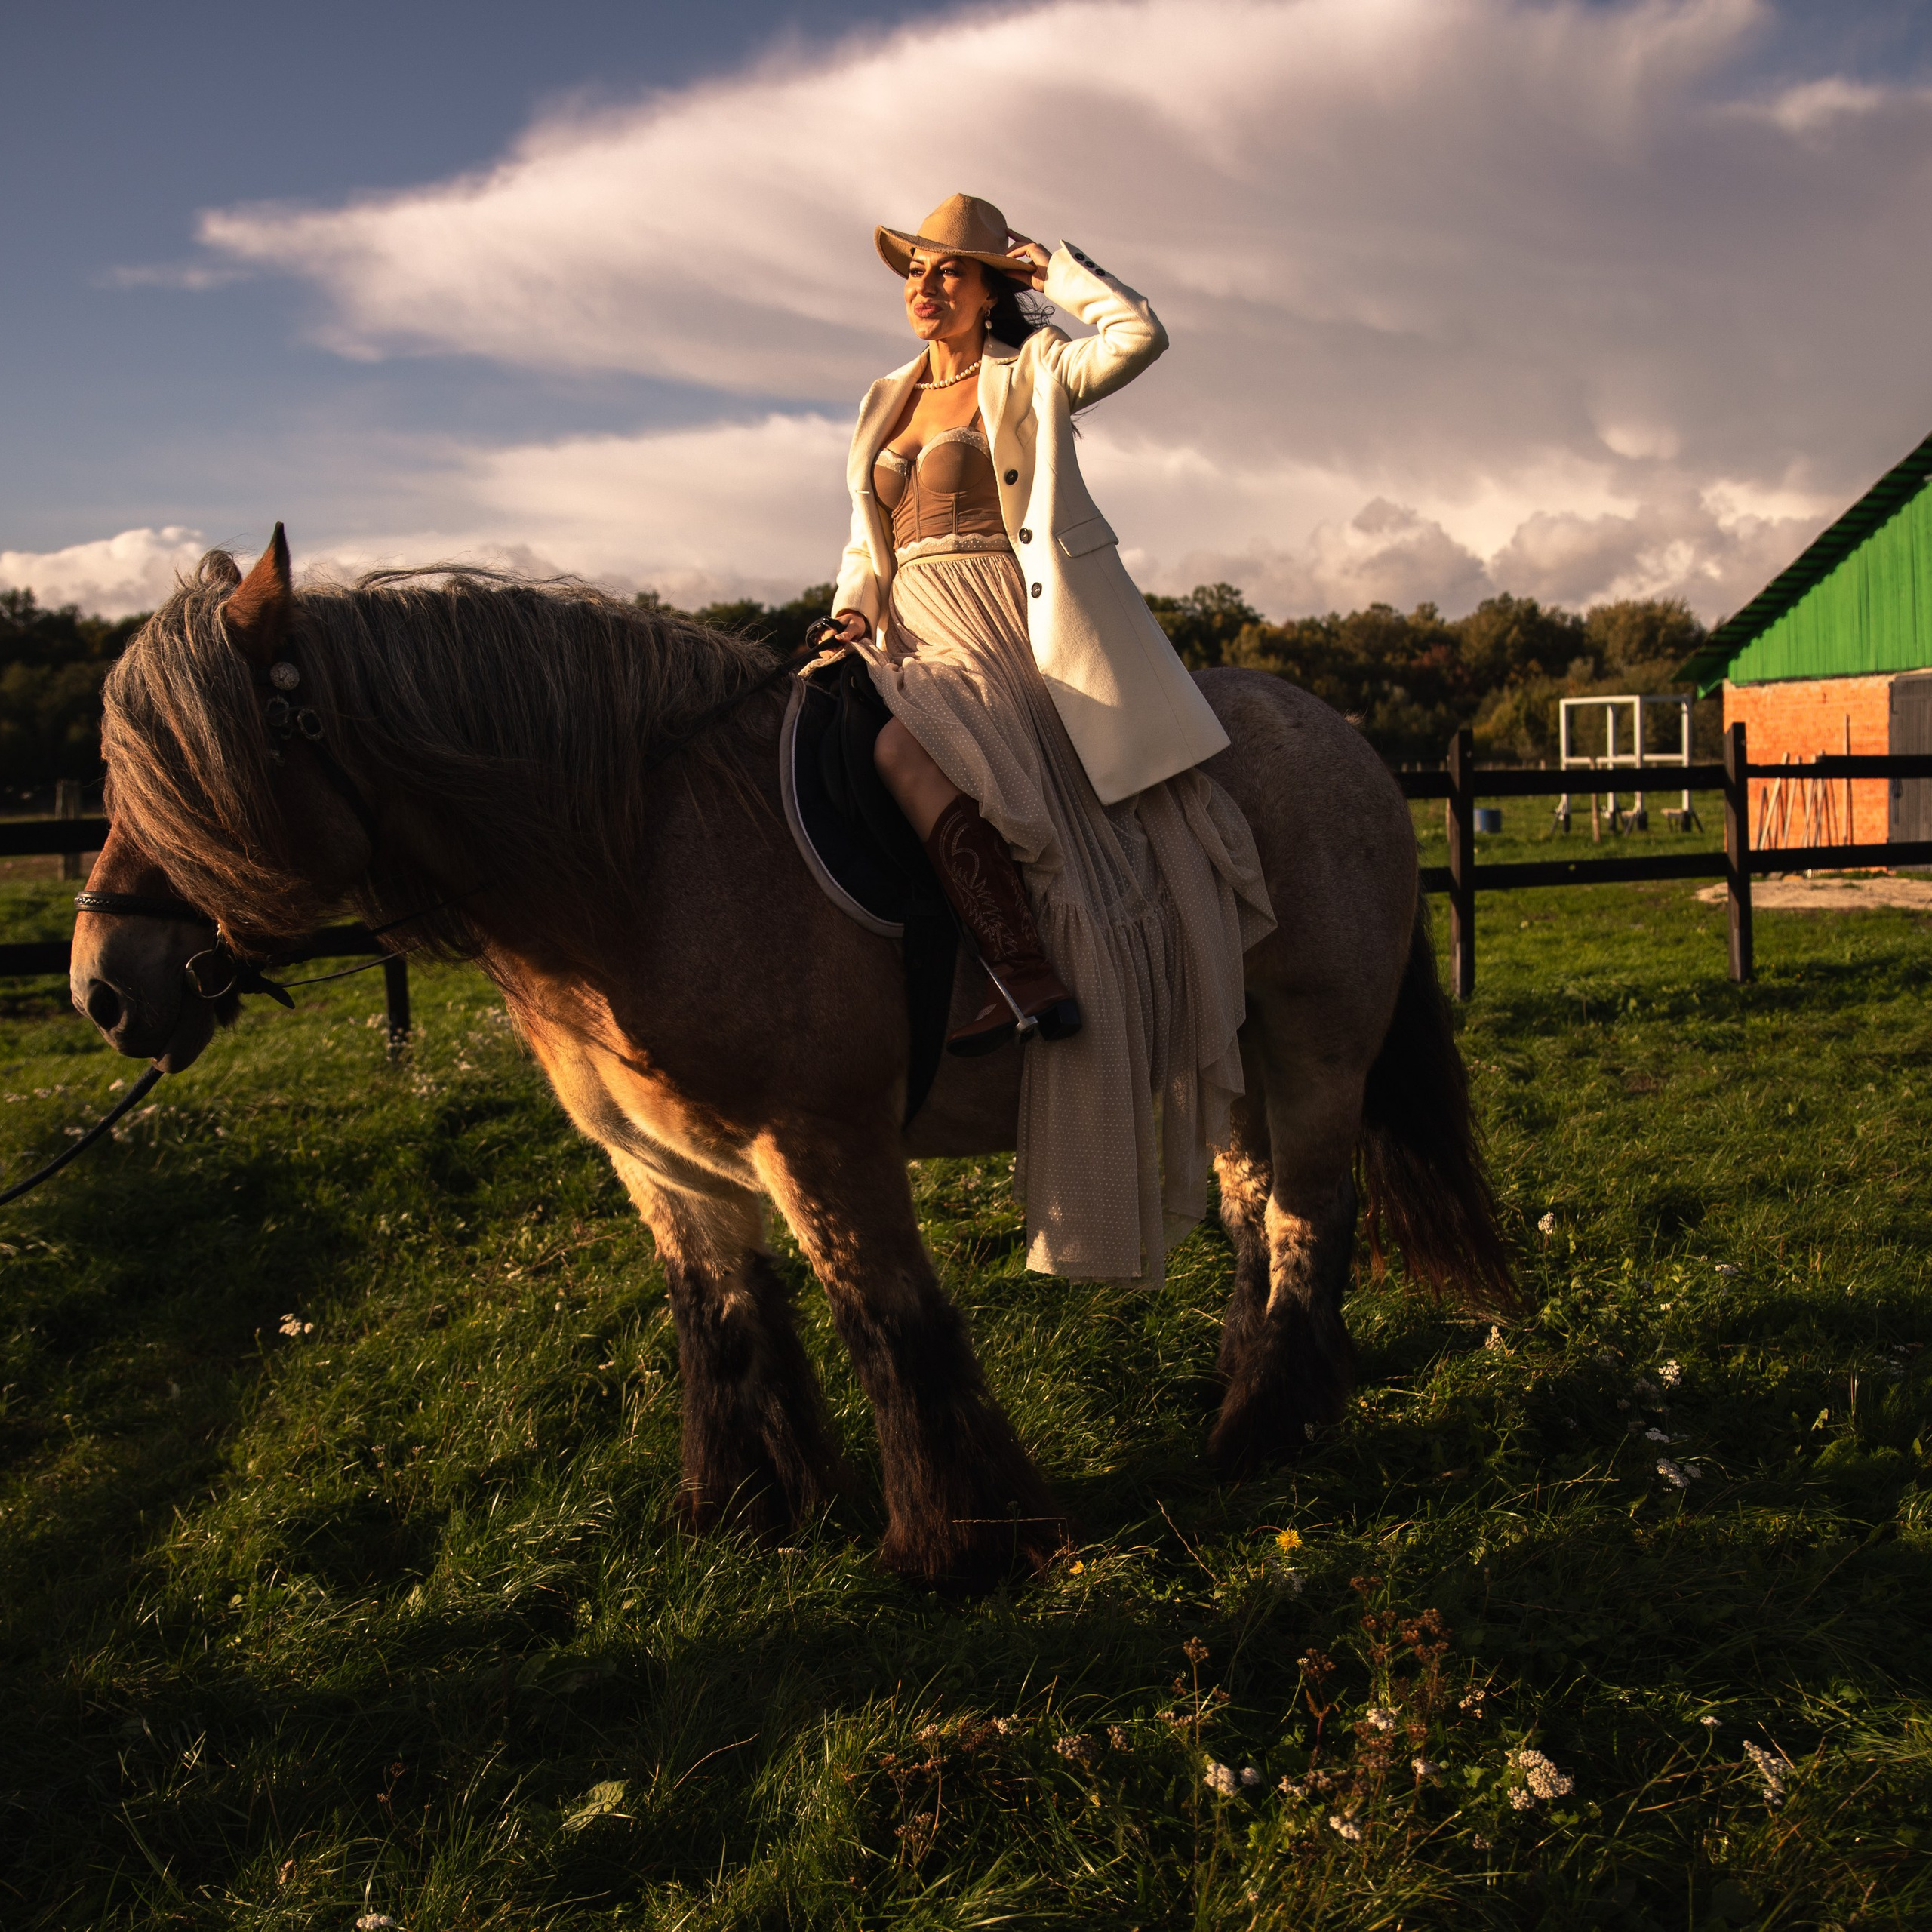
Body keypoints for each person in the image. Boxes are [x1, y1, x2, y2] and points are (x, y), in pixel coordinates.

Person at [824, 192, 1275, 1282]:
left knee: (898, 752)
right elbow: (862, 540)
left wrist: (1048, 265)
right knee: (825, 745)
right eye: (918, 272)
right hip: (910, 624)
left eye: (951, 274)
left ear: (990, 292)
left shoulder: (1032, 376)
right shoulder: (884, 400)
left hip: (1012, 628)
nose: (926, 289)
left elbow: (1137, 335)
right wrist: (846, 615)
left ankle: (1019, 969)